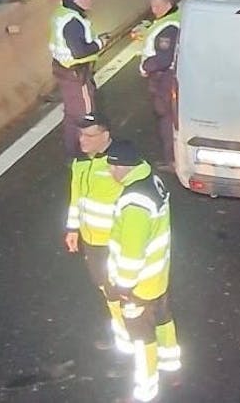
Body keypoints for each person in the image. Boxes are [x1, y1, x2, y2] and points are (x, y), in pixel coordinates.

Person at [104, 141, 180, 401]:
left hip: (139, 285)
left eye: (111, 165)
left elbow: (131, 251)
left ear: (121, 167)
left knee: (142, 339)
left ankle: (145, 392)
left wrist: (124, 286)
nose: (109, 171)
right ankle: (171, 367)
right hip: (158, 277)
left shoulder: (134, 202)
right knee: (163, 320)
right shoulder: (151, 180)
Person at [63, 113, 130, 355]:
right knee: (107, 292)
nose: (83, 140)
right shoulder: (80, 164)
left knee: (118, 294)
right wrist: (73, 228)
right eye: (81, 134)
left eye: (90, 136)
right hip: (92, 243)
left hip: (115, 242)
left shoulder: (119, 163)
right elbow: (76, 200)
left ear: (106, 136)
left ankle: (128, 344)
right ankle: (124, 337)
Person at [50, 0, 104, 155]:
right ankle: (83, 153)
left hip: (64, 70)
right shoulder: (73, 21)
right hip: (76, 73)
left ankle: (72, 151)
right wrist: (99, 43)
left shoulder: (63, 13)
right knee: (85, 114)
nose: (90, 0)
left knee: (71, 114)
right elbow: (79, 52)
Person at [138, 0, 182, 171]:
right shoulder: (173, 18)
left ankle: (172, 159)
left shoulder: (168, 28)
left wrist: (145, 67)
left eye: (157, 6)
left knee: (167, 118)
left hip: (164, 79)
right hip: (170, 76)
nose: (154, 9)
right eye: (152, 6)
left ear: (167, 3)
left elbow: (164, 58)